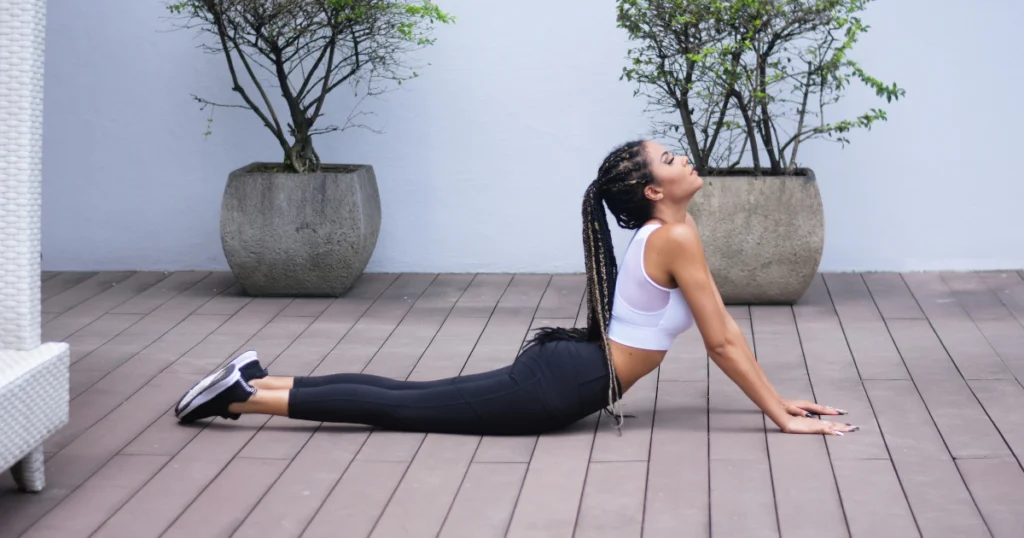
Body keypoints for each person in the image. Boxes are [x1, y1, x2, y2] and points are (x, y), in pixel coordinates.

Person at [174, 140, 859, 437]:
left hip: (572, 376)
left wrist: (778, 401)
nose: (684, 157)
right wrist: (778, 412)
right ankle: (242, 401)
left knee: (409, 398)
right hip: (561, 386)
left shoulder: (669, 233)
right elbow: (722, 341)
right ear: (655, 190)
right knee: (405, 407)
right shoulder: (676, 236)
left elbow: (724, 341)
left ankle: (255, 383)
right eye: (671, 157)